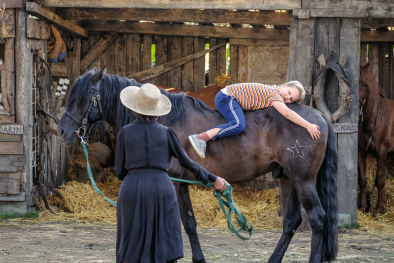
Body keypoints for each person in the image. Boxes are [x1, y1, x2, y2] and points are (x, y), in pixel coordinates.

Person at [114, 83, 229, 263]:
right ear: (158, 112)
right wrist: (213, 178)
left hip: (132, 189)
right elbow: (187, 163)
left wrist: (134, 178)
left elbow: (119, 170)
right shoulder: (167, 133)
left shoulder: (124, 132)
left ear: (134, 110)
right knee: (164, 243)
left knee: (132, 242)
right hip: (162, 188)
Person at [188, 81, 321, 159]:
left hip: (234, 99)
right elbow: (286, 112)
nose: (288, 98)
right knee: (238, 125)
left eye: (292, 99)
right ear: (284, 85)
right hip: (226, 97)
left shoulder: (274, 93)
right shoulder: (274, 93)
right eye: (289, 93)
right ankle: (202, 137)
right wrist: (307, 125)